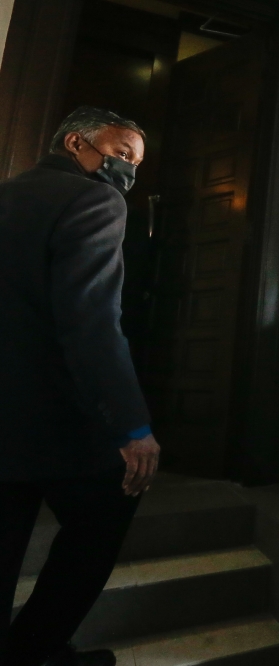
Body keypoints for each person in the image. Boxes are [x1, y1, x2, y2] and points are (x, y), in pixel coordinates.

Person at [0, 107, 160, 666]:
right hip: (56, 418)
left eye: (136, 163)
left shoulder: (8, 194)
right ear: (75, 143)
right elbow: (91, 320)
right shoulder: (95, 200)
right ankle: (35, 648)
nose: (128, 173)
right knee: (104, 514)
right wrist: (132, 424)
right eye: (121, 154)